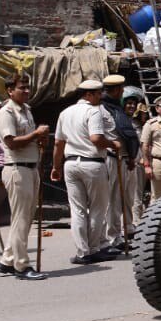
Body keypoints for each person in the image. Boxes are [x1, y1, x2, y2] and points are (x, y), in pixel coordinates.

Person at [52, 80, 118, 265]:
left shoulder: (65, 113)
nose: (100, 97)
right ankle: (94, 248)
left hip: (71, 164)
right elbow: (96, 138)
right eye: (97, 93)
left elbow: (58, 143)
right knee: (97, 209)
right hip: (92, 164)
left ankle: (83, 252)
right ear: (87, 95)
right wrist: (113, 144)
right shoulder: (93, 111)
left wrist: (56, 167)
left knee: (78, 210)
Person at [0, 75, 50, 280]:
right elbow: (11, 143)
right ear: (10, 90)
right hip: (16, 169)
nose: (26, 91)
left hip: (30, 167)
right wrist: (36, 134)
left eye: (28, 88)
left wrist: (40, 140)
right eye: (22, 88)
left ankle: (7, 260)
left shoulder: (27, 110)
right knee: (21, 219)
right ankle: (22, 266)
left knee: (26, 217)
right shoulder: (6, 113)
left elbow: (28, 140)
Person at [101, 74, 140, 250]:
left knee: (120, 200)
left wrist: (131, 156)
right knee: (111, 200)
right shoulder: (103, 109)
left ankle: (117, 235)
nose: (122, 92)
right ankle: (110, 237)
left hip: (124, 159)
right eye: (121, 89)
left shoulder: (117, 108)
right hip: (112, 158)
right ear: (115, 90)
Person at [122, 87, 146, 225]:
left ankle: (135, 222)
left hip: (137, 164)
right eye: (128, 103)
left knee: (137, 194)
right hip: (124, 163)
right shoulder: (119, 121)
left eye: (133, 104)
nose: (131, 106)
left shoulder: (137, 124)